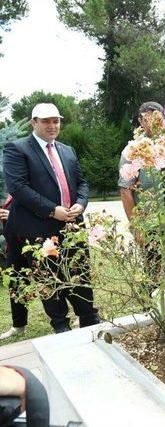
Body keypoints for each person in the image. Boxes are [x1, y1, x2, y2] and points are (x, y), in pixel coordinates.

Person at [2, 103, 100, 336]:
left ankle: (89, 320)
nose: (52, 125)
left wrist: (81, 203)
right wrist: (52, 210)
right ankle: (61, 328)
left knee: (80, 274)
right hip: (38, 228)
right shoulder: (17, 149)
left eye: (55, 120)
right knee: (50, 280)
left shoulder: (67, 150)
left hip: (73, 225)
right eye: (45, 121)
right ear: (33, 122)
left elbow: (82, 183)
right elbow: (18, 188)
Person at [118, 102, 164, 225]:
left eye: (157, 118)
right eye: (147, 119)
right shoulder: (133, 150)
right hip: (150, 223)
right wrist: (137, 226)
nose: (153, 122)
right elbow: (125, 190)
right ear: (140, 121)